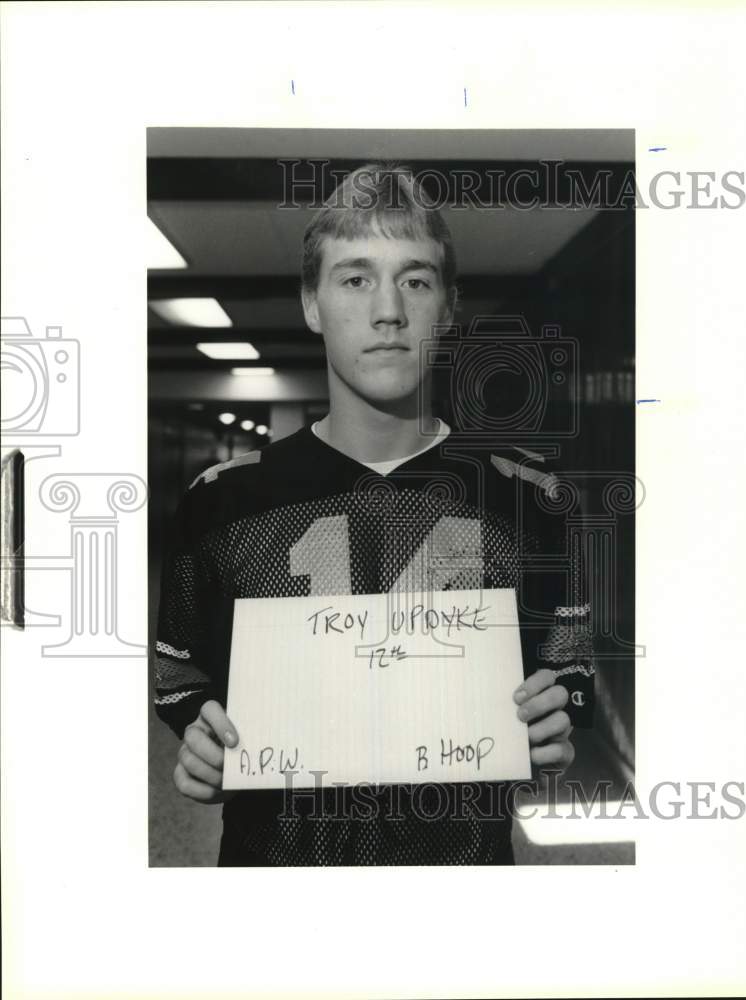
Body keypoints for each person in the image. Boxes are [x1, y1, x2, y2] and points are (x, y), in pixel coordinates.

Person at [154, 163, 594, 865]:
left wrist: (554, 719)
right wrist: (201, 738)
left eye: (415, 279)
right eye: (355, 278)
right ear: (310, 303)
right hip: (275, 880)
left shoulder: (531, 497)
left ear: (447, 307)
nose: (387, 309)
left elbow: (569, 674)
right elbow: (178, 677)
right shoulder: (222, 501)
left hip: (462, 883)